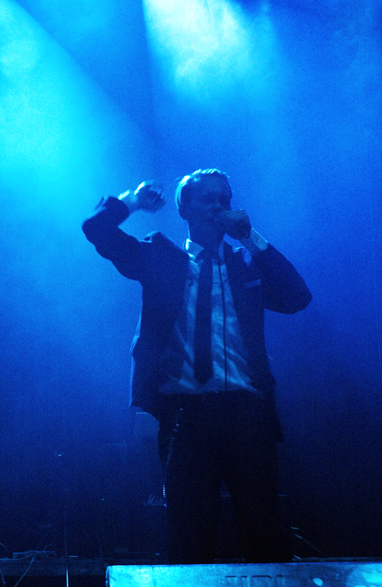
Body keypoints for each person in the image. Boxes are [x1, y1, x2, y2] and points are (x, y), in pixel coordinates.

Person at [82, 170, 311, 563]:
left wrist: (250, 237)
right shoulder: (160, 258)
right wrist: (133, 201)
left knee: (261, 529)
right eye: (208, 198)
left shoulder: (246, 263)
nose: (219, 206)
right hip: (186, 418)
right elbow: (96, 229)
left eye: (225, 198)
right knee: (189, 536)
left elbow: (297, 298)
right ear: (184, 208)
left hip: (248, 415)